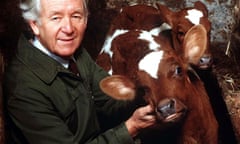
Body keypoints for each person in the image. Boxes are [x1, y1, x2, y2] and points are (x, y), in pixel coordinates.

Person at [3, 0, 157, 143]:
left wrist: (145, 90)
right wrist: (131, 128)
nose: (69, 29)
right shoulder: (24, 88)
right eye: (56, 18)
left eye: (76, 16)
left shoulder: (77, 54)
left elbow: (108, 101)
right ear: (35, 25)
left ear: (86, 20)